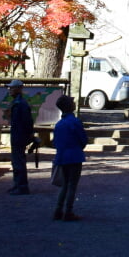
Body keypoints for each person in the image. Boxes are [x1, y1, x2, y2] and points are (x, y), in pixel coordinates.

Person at [51, 94, 88, 222]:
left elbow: (55, 142)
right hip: (75, 155)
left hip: (62, 156)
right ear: (70, 106)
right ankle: (68, 211)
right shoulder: (75, 122)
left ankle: (58, 210)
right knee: (72, 185)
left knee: (65, 185)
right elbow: (83, 139)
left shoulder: (59, 124)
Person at [6, 79, 33, 195]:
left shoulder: (20, 104)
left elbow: (27, 122)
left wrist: (26, 136)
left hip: (19, 136)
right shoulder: (19, 103)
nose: (9, 89)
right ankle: (17, 184)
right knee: (16, 161)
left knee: (19, 162)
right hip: (17, 135)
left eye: (12, 88)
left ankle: (22, 186)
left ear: (18, 89)